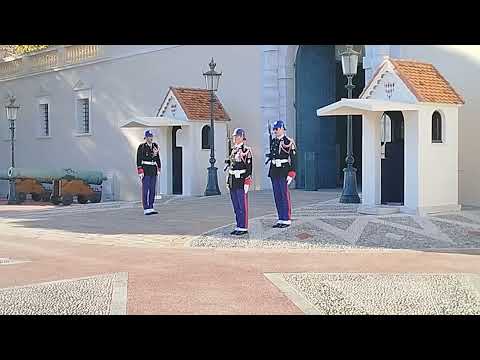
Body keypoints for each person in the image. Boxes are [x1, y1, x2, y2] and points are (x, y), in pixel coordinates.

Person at [268, 120, 296, 228]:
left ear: (282, 129)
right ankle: (280, 218)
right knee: (277, 196)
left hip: (284, 170)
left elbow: (293, 159)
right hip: (274, 170)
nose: (275, 131)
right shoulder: (274, 141)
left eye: (276, 129)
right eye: (274, 129)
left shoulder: (289, 141)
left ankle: (286, 219)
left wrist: (292, 173)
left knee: (284, 196)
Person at [226, 128, 253, 236]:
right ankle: (238, 225)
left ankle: (243, 227)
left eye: (236, 136)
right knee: (236, 206)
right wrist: (228, 181)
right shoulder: (233, 150)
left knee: (242, 206)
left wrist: (247, 182)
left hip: (241, 180)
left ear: (242, 137)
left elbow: (249, 168)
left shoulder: (246, 150)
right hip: (233, 180)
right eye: (234, 136)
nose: (234, 138)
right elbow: (230, 167)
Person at [136, 130, 161, 215]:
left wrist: (159, 168)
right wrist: (140, 170)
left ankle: (151, 206)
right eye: (149, 137)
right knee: (145, 189)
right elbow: (138, 159)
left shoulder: (155, 146)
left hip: (153, 169)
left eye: (151, 136)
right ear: (145, 138)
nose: (150, 138)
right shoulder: (142, 147)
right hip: (145, 169)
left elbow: (157, 158)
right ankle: (146, 208)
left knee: (153, 189)